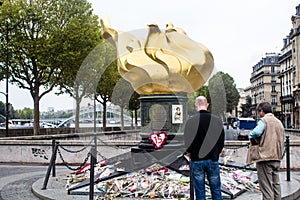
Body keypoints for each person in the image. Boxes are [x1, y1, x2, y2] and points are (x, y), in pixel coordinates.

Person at [184, 96, 225, 200]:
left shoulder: (190, 121)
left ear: (196, 105)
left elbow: (187, 141)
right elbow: (221, 140)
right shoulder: (216, 120)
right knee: (216, 189)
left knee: (200, 190)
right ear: (207, 105)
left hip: (197, 159)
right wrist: (217, 152)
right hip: (212, 158)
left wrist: (190, 152)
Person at [247, 102, 285, 200]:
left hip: (265, 158)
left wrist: (250, 136)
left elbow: (256, 132)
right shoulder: (279, 122)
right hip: (277, 158)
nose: (259, 114)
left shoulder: (264, 121)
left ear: (262, 111)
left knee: (266, 187)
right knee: (276, 185)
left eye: (259, 112)